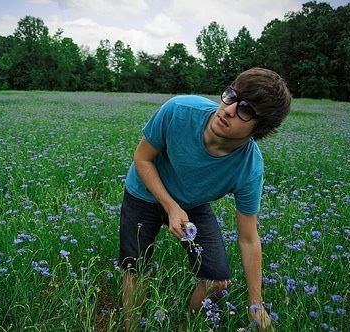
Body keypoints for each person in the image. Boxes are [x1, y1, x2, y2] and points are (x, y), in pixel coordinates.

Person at [119, 67, 291, 331]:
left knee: (217, 281)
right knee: (135, 270)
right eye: (232, 96)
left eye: (245, 110)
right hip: (144, 191)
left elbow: (248, 238)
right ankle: (130, 328)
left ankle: (185, 325)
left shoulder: (249, 167)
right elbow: (142, 158)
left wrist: (256, 304)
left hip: (193, 204)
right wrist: (171, 207)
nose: (229, 109)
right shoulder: (179, 111)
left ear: (260, 128)